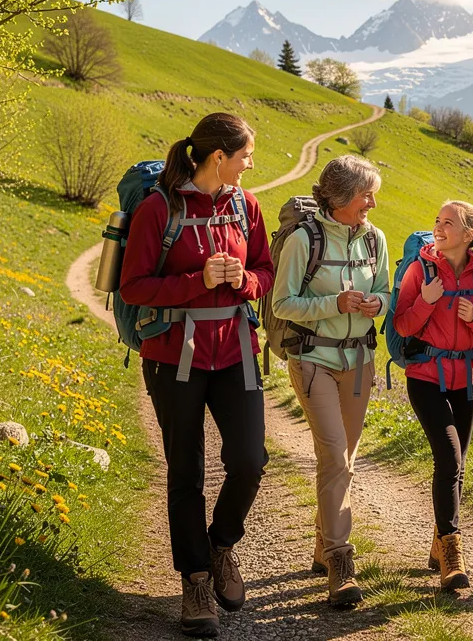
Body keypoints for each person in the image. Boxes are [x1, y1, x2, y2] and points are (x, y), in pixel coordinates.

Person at [118, 113, 273, 637]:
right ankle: (196, 581)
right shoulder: (160, 208)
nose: (251, 164)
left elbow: (267, 273)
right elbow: (133, 286)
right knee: (186, 470)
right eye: (246, 155)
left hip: (236, 351)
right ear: (218, 158)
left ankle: (221, 546)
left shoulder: (246, 206)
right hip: (171, 356)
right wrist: (195, 280)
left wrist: (245, 278)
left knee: (250, 461)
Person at [270, 155, 390, 608]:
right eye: (366, 196)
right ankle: (341, 559)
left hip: (359, 362)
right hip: (312, 359)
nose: (372, 204)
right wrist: (334, 304)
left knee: (346, 457)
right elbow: (283, 304)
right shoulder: (305, 240)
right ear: (340, 198)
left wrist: (376, 304)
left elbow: (385, 289)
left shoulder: (374, 239)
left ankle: (323, 546)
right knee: (335, 455)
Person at [392, 201, 473, 591]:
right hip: (425, 376)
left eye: (448, 224)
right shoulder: (419, 269)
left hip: (468, 378)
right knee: (449, 457)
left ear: (470, 234)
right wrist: (426, 298)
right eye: (436, 221)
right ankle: (453, 550)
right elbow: (403, 325)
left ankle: (439, 542)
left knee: (457, 465)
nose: (438, 229)